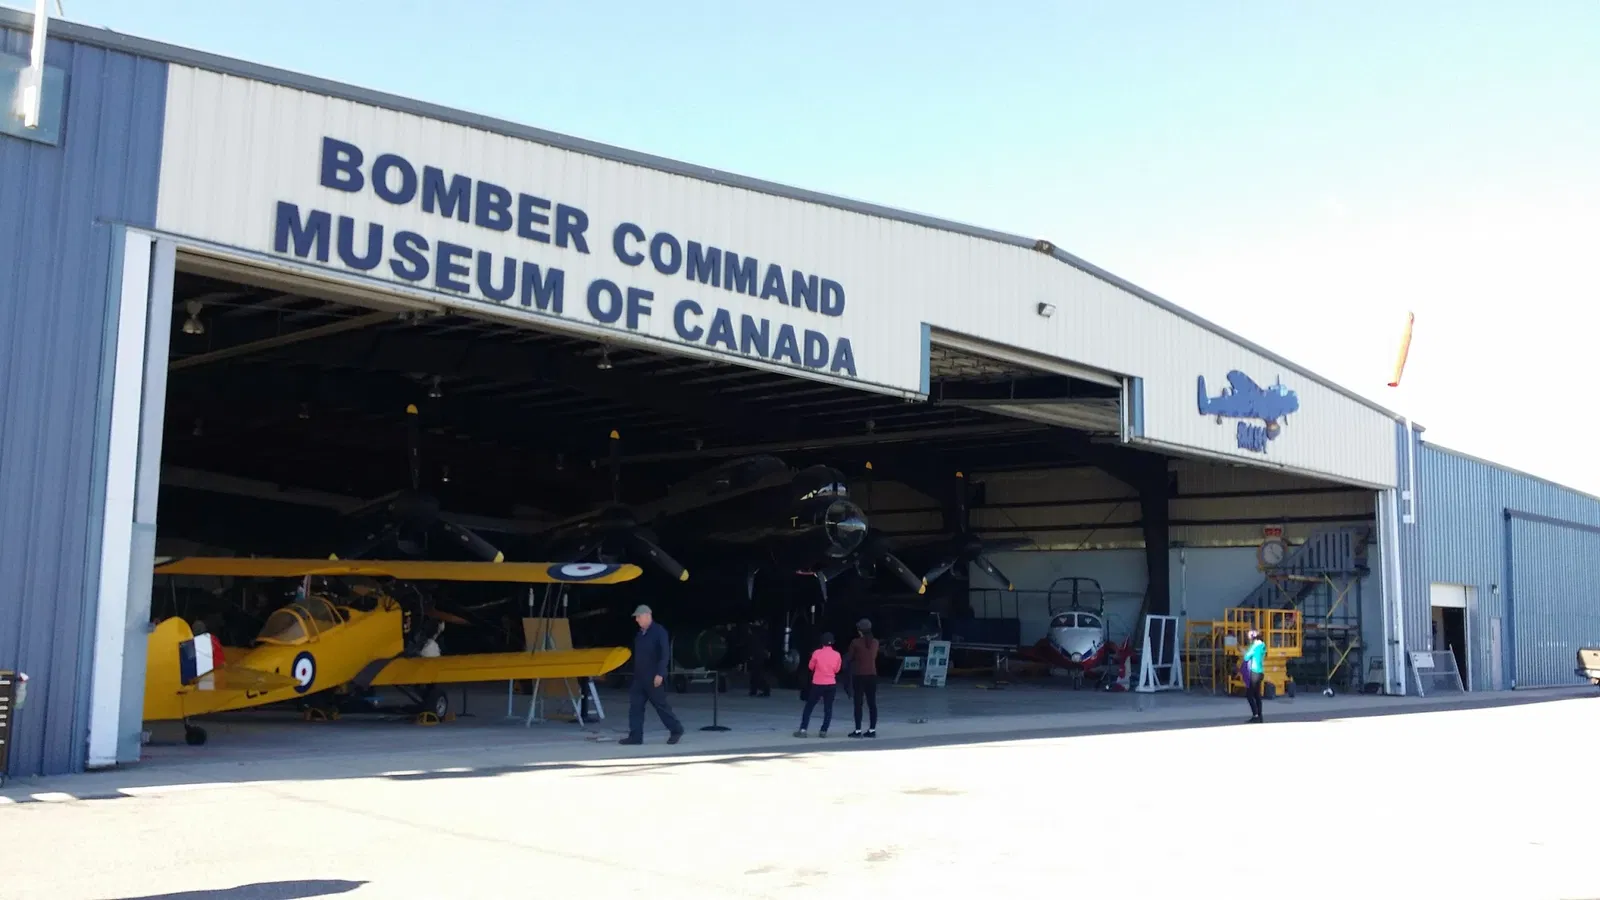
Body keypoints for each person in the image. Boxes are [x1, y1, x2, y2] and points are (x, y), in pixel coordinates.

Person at [620, 605, 684, 745]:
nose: (636, 620)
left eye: (638, 617)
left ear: (648, 615)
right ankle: (635, 736)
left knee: (661, 707)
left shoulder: (659, 632)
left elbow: (664, 654)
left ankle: (676, 729)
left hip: (653, 677)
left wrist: (660, 674)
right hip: (639, 678)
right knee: (635, 707)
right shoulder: (640, 634)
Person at [795, 632, 842, 738]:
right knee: (828, 708)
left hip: (818, 683)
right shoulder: (837, 655)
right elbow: (837, 670)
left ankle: (803, 729)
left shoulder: (816, 653)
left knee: (809, 707)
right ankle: (823, 730)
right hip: (831, 684)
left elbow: (811, 666)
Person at [844, 618, 881, 738]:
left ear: (860, 630)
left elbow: (850, 658)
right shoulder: (875, 642)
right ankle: (872, 730)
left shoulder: (855, 642)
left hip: (859, 675)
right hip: (872, 675)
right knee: (872, 703)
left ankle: (858, 730)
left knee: (858, 703)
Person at [1241, 628, 1266, 723]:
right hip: (1260, 672)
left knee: (1249, 695)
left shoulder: (1254, 645)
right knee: (1257, 695)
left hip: (1254, 672)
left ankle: (1255, 715)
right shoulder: (1263, 645)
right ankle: (1260, 716)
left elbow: (1246, 656)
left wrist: (1245, 651)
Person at [745, 619, 771, 697]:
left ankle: (761, 689)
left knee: (757, 673)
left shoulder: (756, 631)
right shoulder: (759, 631)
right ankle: (755, 689)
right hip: (758, 653)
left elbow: (754, 643)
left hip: (758, 654)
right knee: (755, 672)